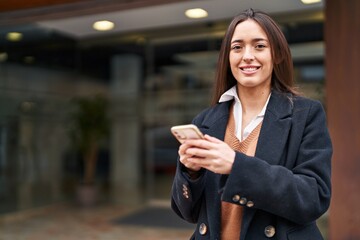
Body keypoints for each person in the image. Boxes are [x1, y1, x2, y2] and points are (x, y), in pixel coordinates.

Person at [170, 8, 332, 240]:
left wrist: (237, 166)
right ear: (228, 57)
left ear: (276, 55)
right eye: (237, 47)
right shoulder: (205, 120)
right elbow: (187, 212)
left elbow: (314, 197)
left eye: (259, 46)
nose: (247, 56)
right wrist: (191, 173)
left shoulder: (306, 114)